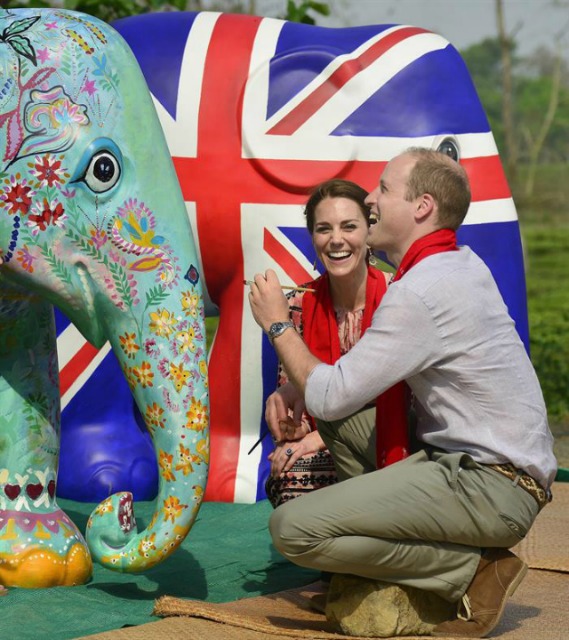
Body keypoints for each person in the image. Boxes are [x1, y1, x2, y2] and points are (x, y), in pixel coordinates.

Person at [247, 148, 557, 639]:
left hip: (490, 484)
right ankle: (383, 564)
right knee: (339, 420)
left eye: (385, 189)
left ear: (422, 206)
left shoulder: (417, 291)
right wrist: (300, 390)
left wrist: (278, 325)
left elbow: (330, 392)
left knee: (292, 530)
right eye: (323, 228)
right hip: (482, 465)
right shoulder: (457, 263)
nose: (371, 198)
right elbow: (337, 399)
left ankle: (471, 573)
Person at [264, 179, 409, 508]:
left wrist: (318, 438)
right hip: (326, 448)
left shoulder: (399, 295)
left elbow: (409, 402)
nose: (336, 240)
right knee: (289, 474)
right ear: (313, 238)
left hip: (394, 440)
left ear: (369, 233)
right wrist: (292, 428)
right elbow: (297, 393)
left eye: (349, 226)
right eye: (324, 229)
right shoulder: (294, 306)